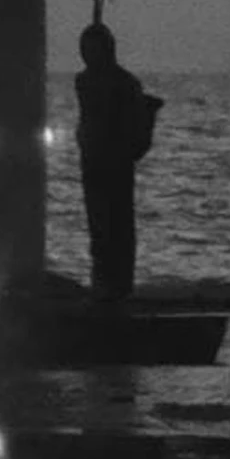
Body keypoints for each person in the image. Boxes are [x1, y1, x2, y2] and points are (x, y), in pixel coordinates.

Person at [74, 22, 158, 306]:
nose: (88, 55)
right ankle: (106, 284)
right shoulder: (86, 82)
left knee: (117, 226)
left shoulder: (122, 83)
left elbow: (132, 136)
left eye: (92, 49)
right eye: (86, 50)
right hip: (96, 161)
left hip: (114, 162)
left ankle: (117, 286)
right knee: (102, 227)